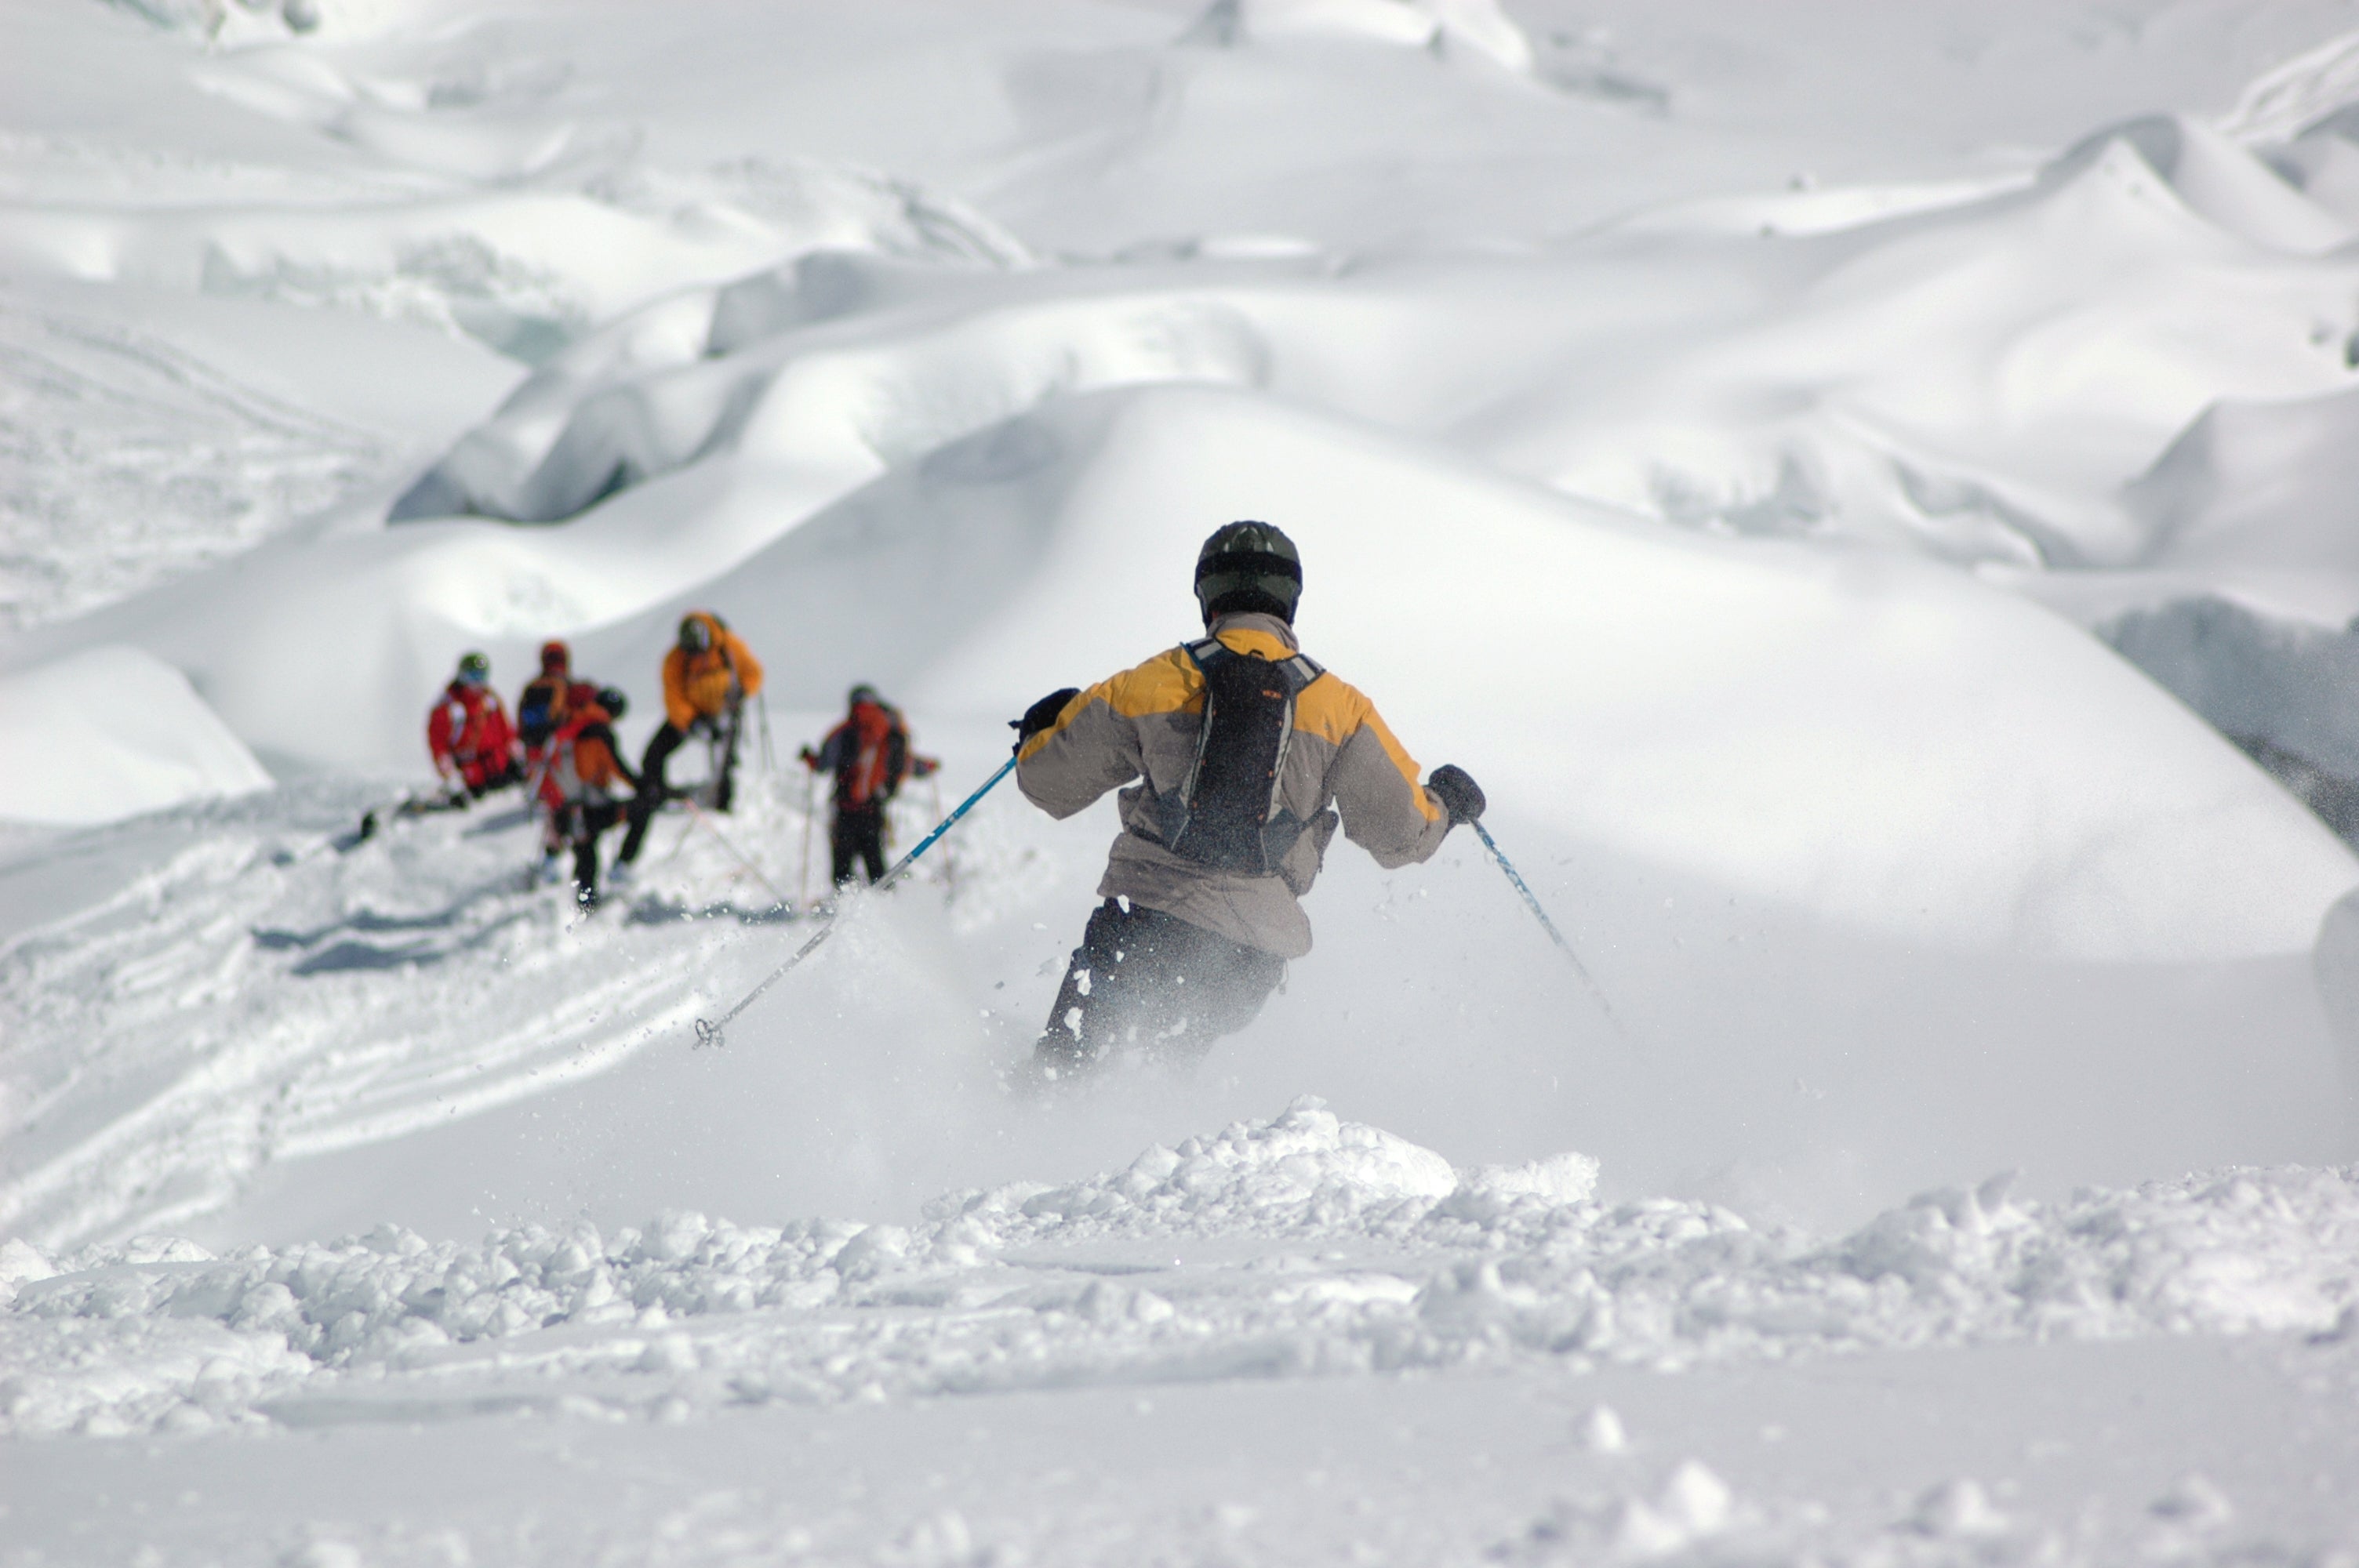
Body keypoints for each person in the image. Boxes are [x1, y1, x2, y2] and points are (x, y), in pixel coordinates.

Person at [1011, 521, 1485, 1083]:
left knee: (1063, 1081)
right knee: (1156, 1089)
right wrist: (1448, 804)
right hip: (1248, 957)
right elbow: (1403, 837)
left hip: (1143, 925)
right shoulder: (1342, 709)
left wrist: (1043, 730)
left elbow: (1048, 782)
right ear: (1291, 598)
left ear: (1208, 595)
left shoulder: (1154, 681)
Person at [616, 612, 763, 869]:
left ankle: (724, 803)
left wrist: (743, 690)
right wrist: (691, 722)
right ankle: (656, 791)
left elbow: (753, 672)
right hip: (692, 715)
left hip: (725, 711)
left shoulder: (729, 645)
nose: (696, 655)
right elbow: (673, 697)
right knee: (654, 753)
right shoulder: (675, 659)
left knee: (726, 760)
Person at [801, 684, 938, 887]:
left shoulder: (844, 731)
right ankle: (884, 898)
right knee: (874, 859)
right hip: (874, 807)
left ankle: (843, 901)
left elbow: (823, 765)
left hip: (845, 808)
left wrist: (809, 758)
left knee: (842, 865)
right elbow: (905, 762)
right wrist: (926, 767)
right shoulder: (888, 731)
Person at [536, 686, 639, 910]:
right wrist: (645, 787)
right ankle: (621, 867)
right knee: (640, 810)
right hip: (592, 807)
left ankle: (583, 904)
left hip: (564, 808)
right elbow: (619, 768)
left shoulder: (569, 725)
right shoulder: (599, 731)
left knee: (586, 853)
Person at [516, 641, 605, 879]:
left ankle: (552, 857)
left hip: (538, 754)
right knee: (572, 805)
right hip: (562, 752)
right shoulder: (567, 686)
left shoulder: (532, 687)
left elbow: (521, 725)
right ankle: (569, 859)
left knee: (555, 806)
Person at [426, 651, 522, 800]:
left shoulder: (490, 702)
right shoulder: (449, 709)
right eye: (472, 677)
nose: (477, 683)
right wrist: (450, 775)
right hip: (471, 780)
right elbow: (439, 745)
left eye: (482, 677)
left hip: (501, 771)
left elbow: (507, 731)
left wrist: (516, 754)